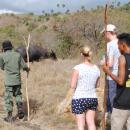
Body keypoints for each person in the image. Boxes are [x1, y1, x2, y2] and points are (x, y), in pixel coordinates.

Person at [66, 46, 100, 130]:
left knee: (81, 125)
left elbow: (73, 85)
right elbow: (97, 85)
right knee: (91, 123)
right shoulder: (96, 68)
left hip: (79, 98)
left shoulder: (77, 68)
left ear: (81, 54)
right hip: (92, 98)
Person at [103, 33, 130, 130]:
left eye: (118, 45)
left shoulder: (122, 58)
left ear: (123, 44)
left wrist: (108, 72)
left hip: (121, 103)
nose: (118, 48)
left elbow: (121, 81)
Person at [0, 40, 30, 122]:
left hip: (8, 81)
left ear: (4, 48)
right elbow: (24, 66)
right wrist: (27, 69)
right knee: (18, 95)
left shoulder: (2, 56)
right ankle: (20, 109)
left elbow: (2, 67)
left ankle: (9, 117)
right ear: (11, 47)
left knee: (8, 98)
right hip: (17, 80)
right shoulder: (18, 55)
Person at [101, 24, 121, 113]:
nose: (104, 36)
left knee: (112, 98)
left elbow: (110, 64)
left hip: (112, 76)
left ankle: (113, 118)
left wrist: (102, 63)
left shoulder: (110, 45)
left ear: (108, 33)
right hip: (122, 75)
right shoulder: (122, 43)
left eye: (104, 33)